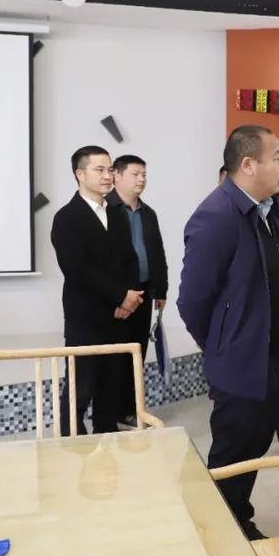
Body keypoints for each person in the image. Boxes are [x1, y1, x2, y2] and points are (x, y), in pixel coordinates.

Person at [178, 125, 279, 542]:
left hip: (272, 357)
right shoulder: (216, 216)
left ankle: (236, 519)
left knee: (255, 445)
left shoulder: (267, 208)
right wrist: (221, 345)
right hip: (241, 361)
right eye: (277, 157)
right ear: (248, 164)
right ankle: (220, 532)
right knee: (234, 452)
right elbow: (192, 301)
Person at [51, 146, 142, 436]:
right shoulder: (67, 217)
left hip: (118, 319)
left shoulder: (116, 213)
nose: (107, 176)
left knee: (110, 391)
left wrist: (128, 299)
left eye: (110, 169)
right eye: (99, 170)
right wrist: (119, 296)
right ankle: (69, 447)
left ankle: (107, 444)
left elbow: (130, 259)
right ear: (80, 174)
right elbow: (77, 270)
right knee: (79, 391)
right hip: (86, 320)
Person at [107, 154, 168, 424]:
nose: (141, 179)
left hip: (144, 292)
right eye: (135, 174)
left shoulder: (148, 213)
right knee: (116, 355)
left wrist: (161, 290)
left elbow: (157, 253)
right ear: (117, 176)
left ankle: (130, 409)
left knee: (137, 353)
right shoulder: (107, 210)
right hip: (119, 294)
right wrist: (118, 295)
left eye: (144, 174)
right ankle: (110, 412)